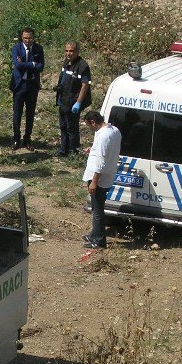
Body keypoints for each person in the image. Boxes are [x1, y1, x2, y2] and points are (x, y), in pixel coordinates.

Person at [81, 110, 121, 249]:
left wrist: (94, 181)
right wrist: (92, 149)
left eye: (89, 126)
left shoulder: (104, 136)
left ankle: (98, 240)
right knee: (96, 207)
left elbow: (101, 162)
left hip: (99, 178)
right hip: (108, 175)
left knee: (97, 210)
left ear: (93, 122)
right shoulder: (114, 130)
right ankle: (94, 234)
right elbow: (105, 150)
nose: (90, 129)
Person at [10, 28, 45, 150]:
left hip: (32, 85)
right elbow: (17, 64)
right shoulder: (16, 48)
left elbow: (41, 66)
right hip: (19, 85)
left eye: (29, 38)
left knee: (30, 113)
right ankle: (16, 139)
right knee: (17, 113)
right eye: (25, 38)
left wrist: (30, 65)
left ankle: (27, 138)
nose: (27, 40)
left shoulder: (38, 49)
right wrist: (32, 64)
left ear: (33, 37)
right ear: (22, 37)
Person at [55, 41, 91, 157]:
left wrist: (78, 103)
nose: (68, 53)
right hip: (63, 100)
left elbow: (85, 85)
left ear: (77, 51)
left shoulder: (82, 66)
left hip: (73, 102)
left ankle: (73, 152)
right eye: (66, 51)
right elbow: (64, 78)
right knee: (63, 126)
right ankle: (63, 150)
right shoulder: (66, 62)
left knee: (72, 128)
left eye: (71, 51)